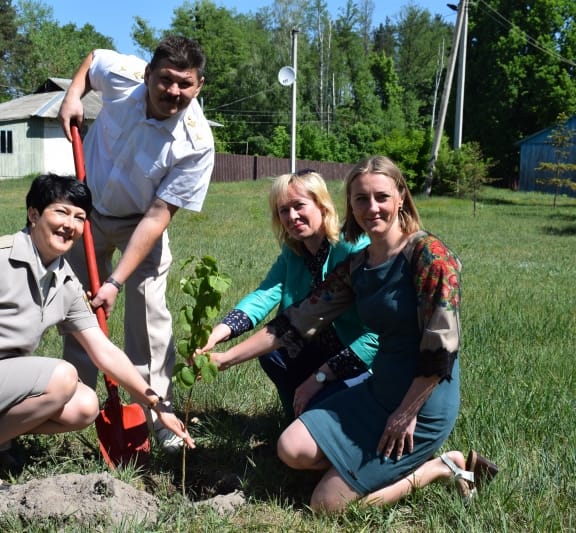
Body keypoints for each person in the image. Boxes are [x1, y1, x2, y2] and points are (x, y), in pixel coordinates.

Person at [208, 156, 497, 512]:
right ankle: (363, 465)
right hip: (378, 390)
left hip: (423, 400)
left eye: (381, 197)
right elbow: (295, 321)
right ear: (350, 205)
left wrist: (406, 414)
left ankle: (439, 467)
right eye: (361, 199)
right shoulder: (358, 265)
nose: (371, 207)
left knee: (326, 505)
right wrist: (223, 358)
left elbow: (441, 350)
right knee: (290, 447)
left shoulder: (430, 257)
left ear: (401, 197)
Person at [0, 174, 195, 489]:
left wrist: (158, 405)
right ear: (33, 214)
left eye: (80, 217)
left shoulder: (65, 283)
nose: (70, 224)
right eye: (61, 212)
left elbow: (105, 352)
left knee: (85, 406)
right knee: (62, 377)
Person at [56, 36, 214, 452]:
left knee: (148, 313)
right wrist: (73, 96)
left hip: (139, 223)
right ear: (147, 75)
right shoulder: (123, 75)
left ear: (199, 86)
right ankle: (75, 401)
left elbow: (158, 216)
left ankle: (158, 414)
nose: (174, 92)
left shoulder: (195, 144)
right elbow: (92, 59)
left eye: (186, 84)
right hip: (85, 210)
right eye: (166, 80)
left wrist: (116, 281)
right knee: (77, 307)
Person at [198, 170, 378, 419]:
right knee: (273, 353)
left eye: (299, 206)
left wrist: (321, 376)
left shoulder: (351, 248)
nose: (292, 216)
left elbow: (375, 335)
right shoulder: (293, 252)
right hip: (311, 342)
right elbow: (263, 295)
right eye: (283, 210)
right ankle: (294, 418)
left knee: (329, 412)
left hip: (356, 357)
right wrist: (217, 335)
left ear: (322, 205)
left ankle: (321, 413)